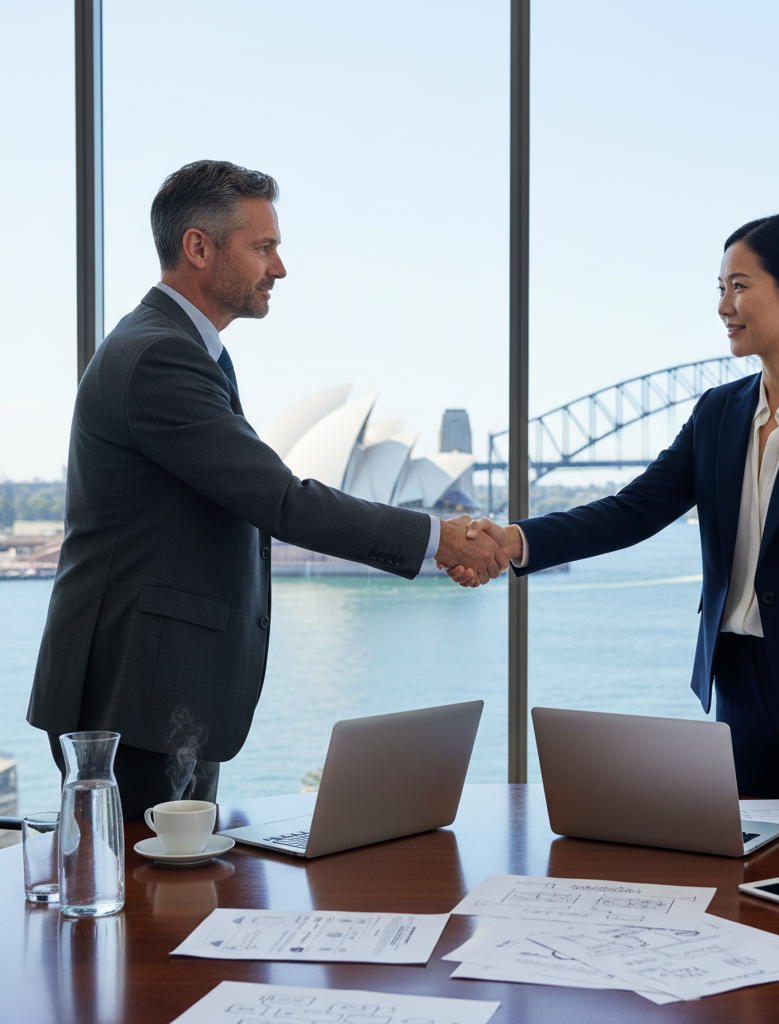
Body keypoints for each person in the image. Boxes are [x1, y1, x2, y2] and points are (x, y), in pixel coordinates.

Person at [28, 159, 507, 819]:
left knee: (171, 901)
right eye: (263, 247)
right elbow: (279, 500)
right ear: (199, 247)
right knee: (145, 905)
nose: (278, 268)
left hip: (158, 690)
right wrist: (441, 537)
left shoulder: (182, 349)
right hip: (132, 695)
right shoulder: (159, 358)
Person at [444, 214, 779, 815]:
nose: (725, 306)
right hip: (739, 686)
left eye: (740, 286)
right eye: (720, 289)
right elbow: (632, 511)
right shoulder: (719, 413)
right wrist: (514, 540)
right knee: (748, 873)